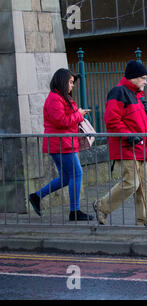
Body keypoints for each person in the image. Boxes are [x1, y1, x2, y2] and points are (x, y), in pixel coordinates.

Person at [92, 60, 147, 227]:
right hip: (126, 146)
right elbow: (111, 120)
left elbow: (131, 118)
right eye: (143, 78)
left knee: (146, 185)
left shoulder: (135, 95)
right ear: (133, 77)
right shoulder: (119, 92)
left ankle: (144, 219)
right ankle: (101, 206)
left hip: (138, 147)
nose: (145, 82)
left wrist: (143, 108)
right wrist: (128, 135)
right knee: (132, 183)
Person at [28, 68, 94, 221]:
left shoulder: (60, 98)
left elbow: (65, 118)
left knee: (66, 177)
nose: (72, 85)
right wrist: (79, 115)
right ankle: (74, 212)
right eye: (70, 82)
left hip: (63, 142)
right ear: (63, 82)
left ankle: (36, 196)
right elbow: (61, 121)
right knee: (77, 174)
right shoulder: (54, 98)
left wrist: (79, 113)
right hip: (60, 143)